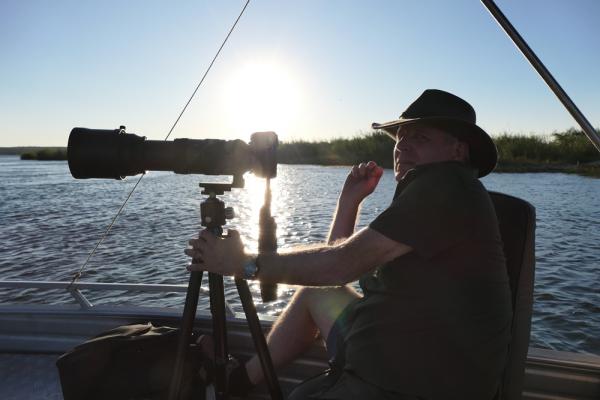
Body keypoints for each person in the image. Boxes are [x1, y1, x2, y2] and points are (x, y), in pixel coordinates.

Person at [185, 89, 513, 399]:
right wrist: (349, 203)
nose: (402, 147)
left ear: (458, 151)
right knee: (314, 294)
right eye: (401, 138)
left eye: (421, 137)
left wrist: (241, 263)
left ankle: (236, 381)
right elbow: (332, 276)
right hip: (397, 355)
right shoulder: (437, 190)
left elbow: (340, 264)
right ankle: (239, 380)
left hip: (410, 384)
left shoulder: (446, 184)